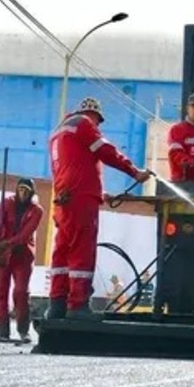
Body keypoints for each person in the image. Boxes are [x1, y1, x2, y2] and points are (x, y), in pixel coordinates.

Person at [47, 96, 152, 319]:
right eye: (98, 122)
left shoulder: (57, 133)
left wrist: (99, 194)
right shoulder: (84, 124)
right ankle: (78, 305)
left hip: (63, 200)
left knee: (62, 252)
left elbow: (72, 168)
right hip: (81, 200)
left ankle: (56, 305)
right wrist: (135, 172)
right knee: (82, 251)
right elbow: (106, 152)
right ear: (95, 116)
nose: (97, 126)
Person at [0, 177, 44, 341]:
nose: (23, 193)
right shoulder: (6, 203)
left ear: (32, 192)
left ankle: (23, 329)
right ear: (16, 190)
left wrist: (5, 244)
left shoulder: (37, 210)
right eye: (20, 189)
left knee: (21, 291)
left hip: (23, 254)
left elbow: (25, 235)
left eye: (26, 190)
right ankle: (1, 330)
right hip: (2, 252)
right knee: (0, 291)